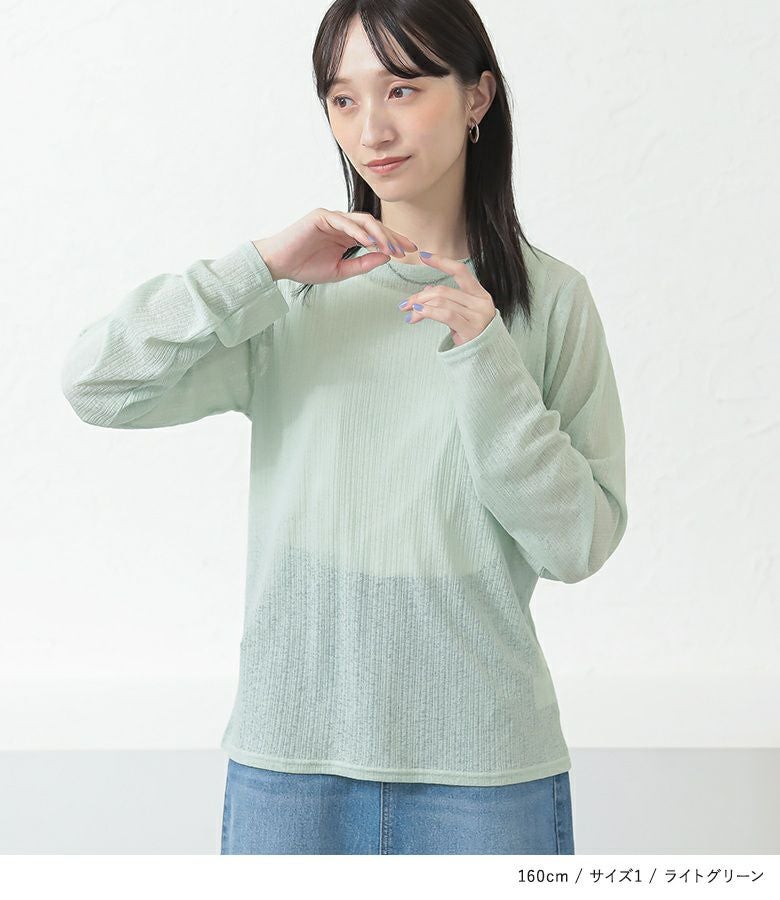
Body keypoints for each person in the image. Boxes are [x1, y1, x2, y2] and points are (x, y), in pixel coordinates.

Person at [61, 0, 628, 855]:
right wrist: (257, 267)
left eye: (403, 89)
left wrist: (487, 360)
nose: (372, 129)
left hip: (483, 773)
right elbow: (97, 385)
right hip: (288, 769)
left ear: (477, 98)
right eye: (343, 99)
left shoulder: (550, 302)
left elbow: (576, 544)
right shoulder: (291, 297)